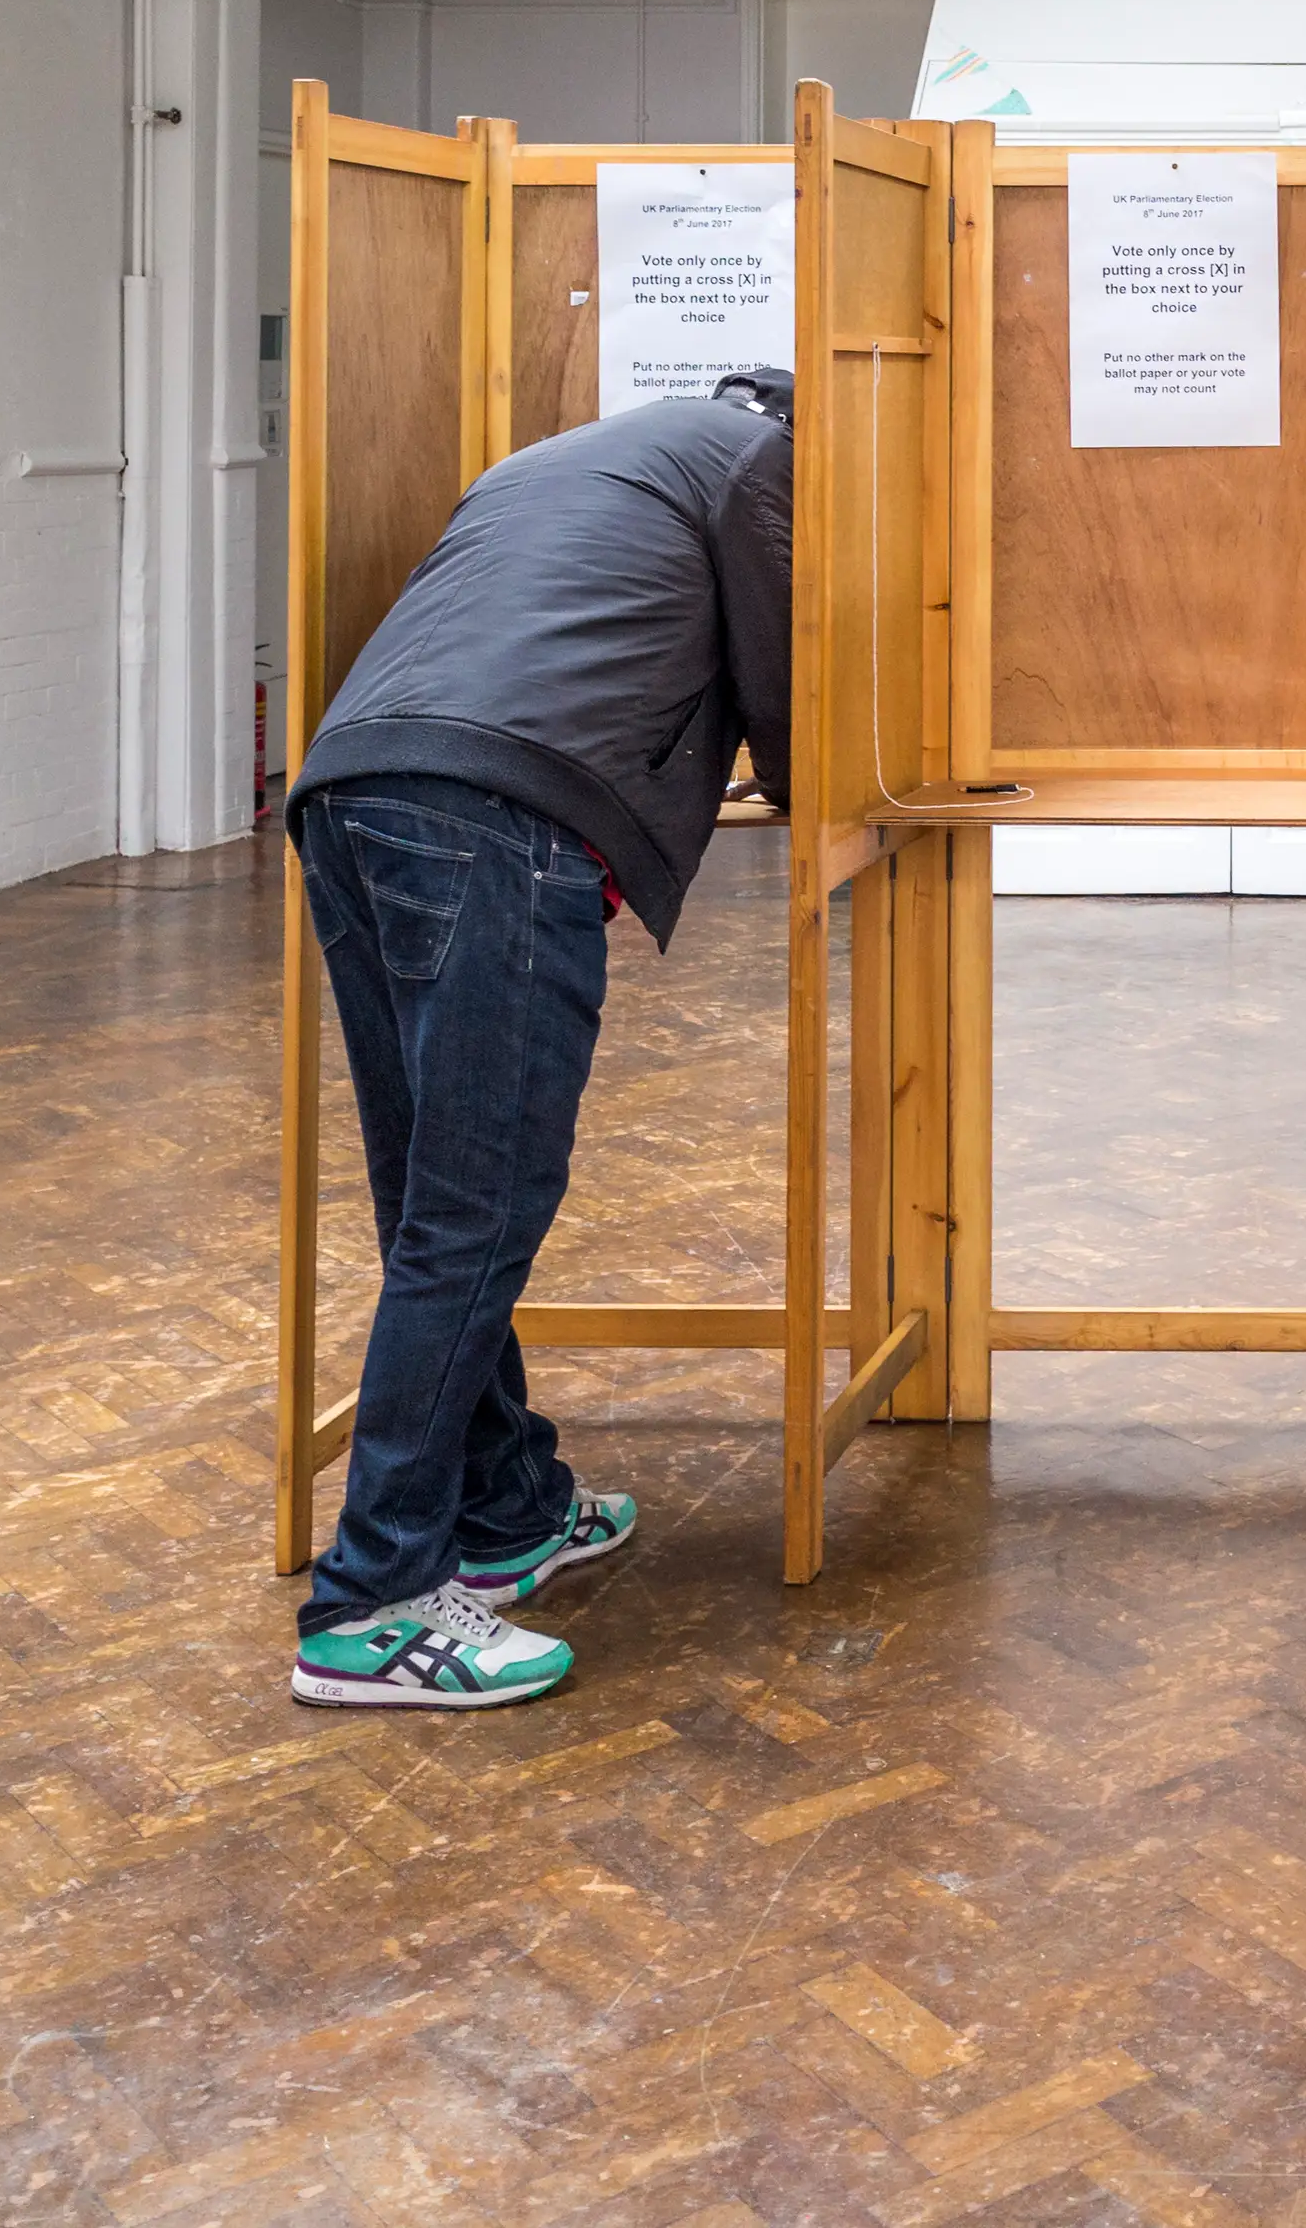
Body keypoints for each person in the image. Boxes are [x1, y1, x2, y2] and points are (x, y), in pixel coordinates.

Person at [283, 368, 794, 1708]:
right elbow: (792, 685)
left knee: (436, 1197)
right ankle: (374, 1596)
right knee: (480, 1202)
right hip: (494, 823)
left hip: (351, 789)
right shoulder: (755, 464)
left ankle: (507, 1508)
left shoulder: (558, 458)